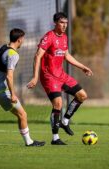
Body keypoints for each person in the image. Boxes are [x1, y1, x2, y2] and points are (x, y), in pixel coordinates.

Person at [27, 12, 93, 145]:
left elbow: (67, 56)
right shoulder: (48, 37)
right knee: (58, 104)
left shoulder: (64, 37)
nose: (64, 25)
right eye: (62, 23)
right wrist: (35, 77)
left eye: (66, 23)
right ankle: (55, 138)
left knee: (82, 96)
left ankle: (65, 121)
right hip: (49, 76)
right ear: (55, 23)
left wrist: (82, 67)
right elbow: (37, 56)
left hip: (61, 75)